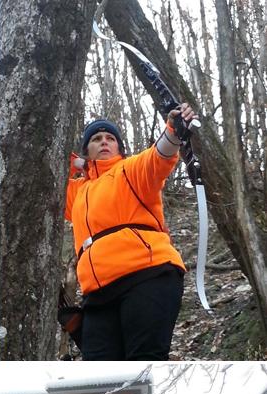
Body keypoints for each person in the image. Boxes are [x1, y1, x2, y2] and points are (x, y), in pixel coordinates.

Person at [64, 104, 198, 360]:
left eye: (110, 138)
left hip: (146, 275)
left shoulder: (130, 170)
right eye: (96, 139)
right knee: (99, 371)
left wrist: (174, 130)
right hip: (97, 293)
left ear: (119, 148)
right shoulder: (76, 191)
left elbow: (160, 156)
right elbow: (47, 172)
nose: (104, 142)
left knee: (144, 359)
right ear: (86, 150)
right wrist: (80, 164)